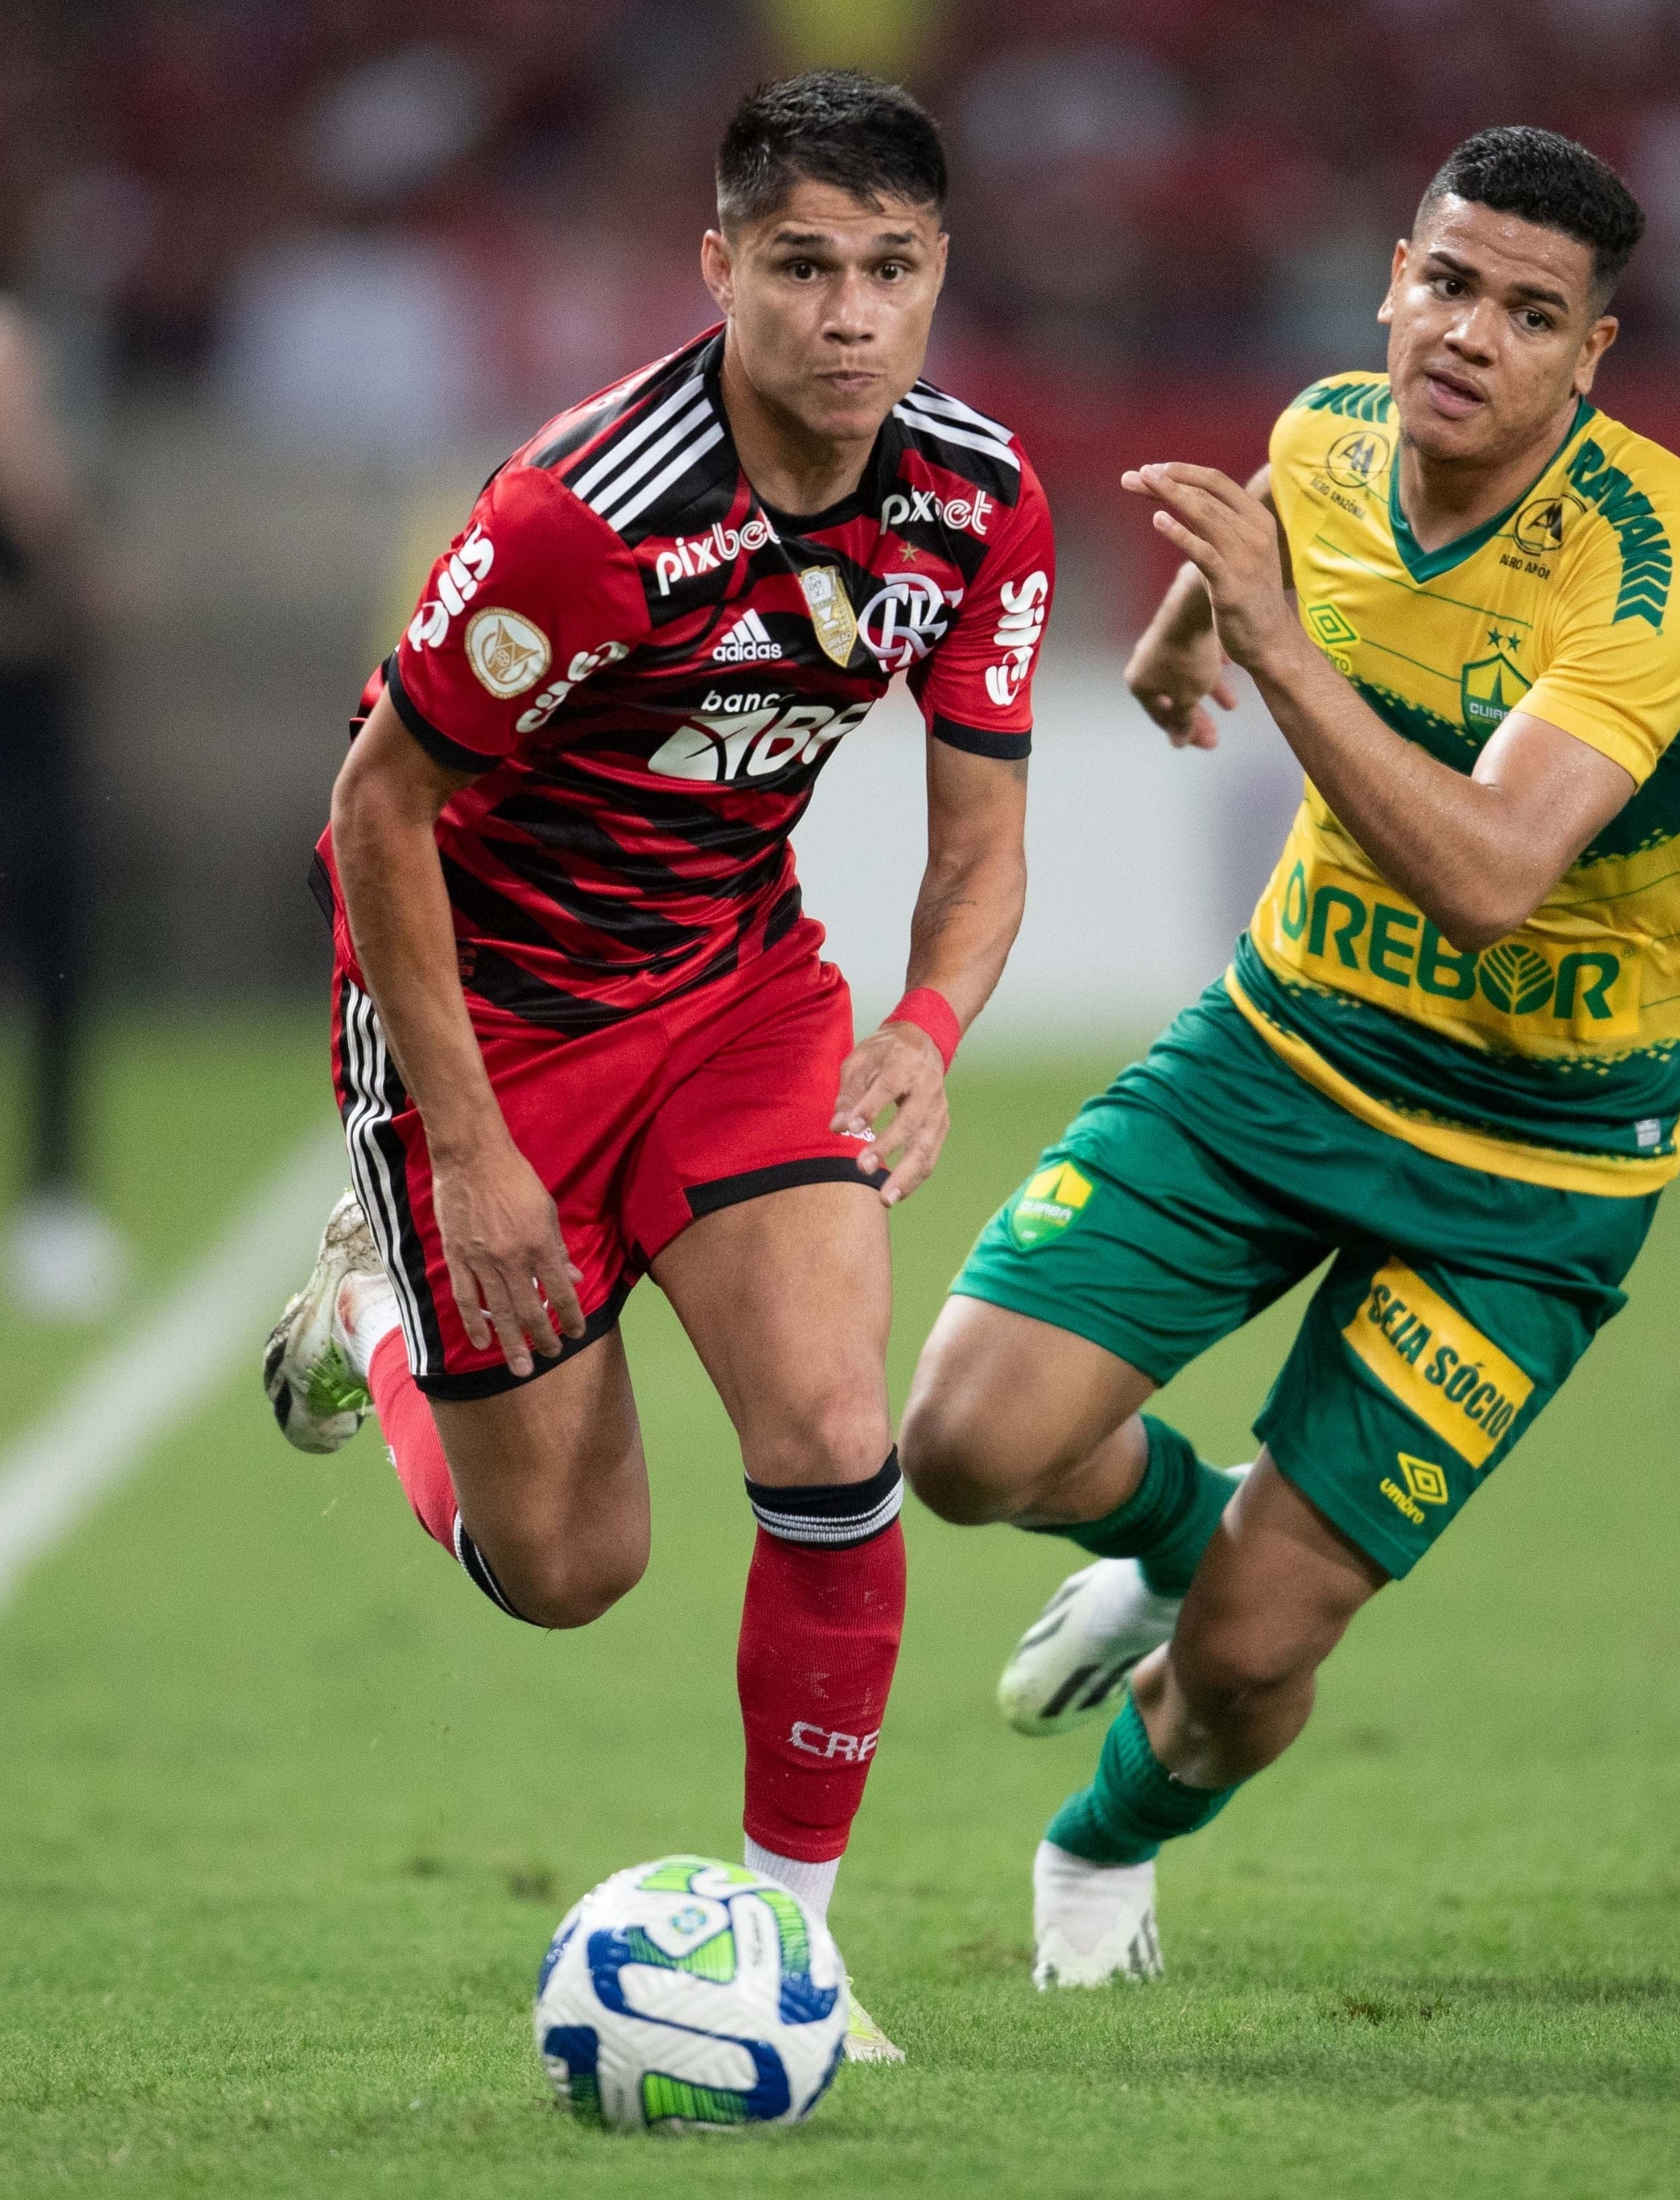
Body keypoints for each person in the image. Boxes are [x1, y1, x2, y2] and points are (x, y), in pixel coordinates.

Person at [898, 127, 1680, 1988]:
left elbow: (1492, 878)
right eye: (1448, 285)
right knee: (957, 1443)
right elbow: (1272, 553)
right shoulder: (1322, 437)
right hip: (1283, 1052)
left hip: (1539, 1162)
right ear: (1390, 279)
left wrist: (1266, 648)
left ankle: (1101, 1845)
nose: (1471, 337)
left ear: (1589, 358)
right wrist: (1180, 639)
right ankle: (1166, 1520)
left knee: (1244, 1661)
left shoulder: (1651, 566)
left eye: (1532, 315)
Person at [261, 72, 1052, 2060]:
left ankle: (794, 1945)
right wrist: (459, 1146)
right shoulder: (587, 518)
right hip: (488, 1022)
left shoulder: (972, 503)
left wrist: (927, 1027)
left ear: (939, 272)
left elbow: (979, 846)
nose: (849, 315)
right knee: (572, 1569)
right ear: (717, 269)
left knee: (827, 1437)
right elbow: (373, 815)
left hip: (729, 995)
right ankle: (373, 1306)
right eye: (802, 267)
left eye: (888, 269)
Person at [0, 294, 130, 1321]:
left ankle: (55, 1201)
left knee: (60, 974)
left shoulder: (40, 485)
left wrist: (28, 479)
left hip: (40, 759)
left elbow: (98, 602)